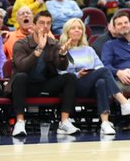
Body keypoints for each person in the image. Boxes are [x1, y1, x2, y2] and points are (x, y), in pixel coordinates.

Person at [60, 18, 130, 135]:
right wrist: (77, 74)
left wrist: (92, 72)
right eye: (73, 28)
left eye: (80, 28)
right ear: (67, 31)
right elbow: (60, 74)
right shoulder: (62, 50)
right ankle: (123, 102)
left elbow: (99, 66)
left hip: (91, 84)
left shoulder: (88, 50)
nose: (77, 30)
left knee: (101, 82)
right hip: (74, 86)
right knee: (104, 71)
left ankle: (105, 123)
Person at [11, 10, 80, 138]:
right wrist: (38, 49)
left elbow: (62, 67)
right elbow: (21, 67)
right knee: (20, 77)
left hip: (46, 84)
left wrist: (62, 54)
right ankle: (20, 122)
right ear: (34, 25)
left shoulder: (53, 43)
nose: (45, 26)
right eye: (42, 22)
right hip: (26, 86)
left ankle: (64, 121)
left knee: (69, 77)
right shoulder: (21, 44)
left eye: (48, 23)